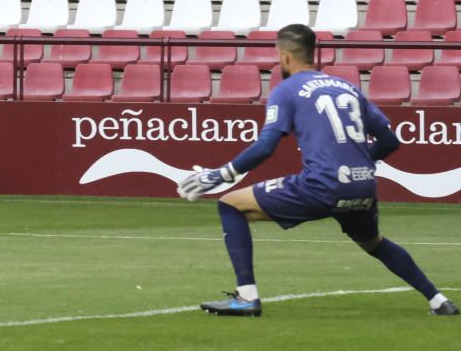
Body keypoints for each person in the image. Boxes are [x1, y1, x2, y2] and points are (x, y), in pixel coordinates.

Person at [179, 24, 458, 317]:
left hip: (322, 184)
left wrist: (220, 175)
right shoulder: (347, 87)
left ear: (285, 57)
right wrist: (360, 163)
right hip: (361, 185)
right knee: (373, 243)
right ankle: (438, 300)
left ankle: (247, 297)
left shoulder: (286, 90)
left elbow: (265, 146)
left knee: (230, 205)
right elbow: (389, 141)